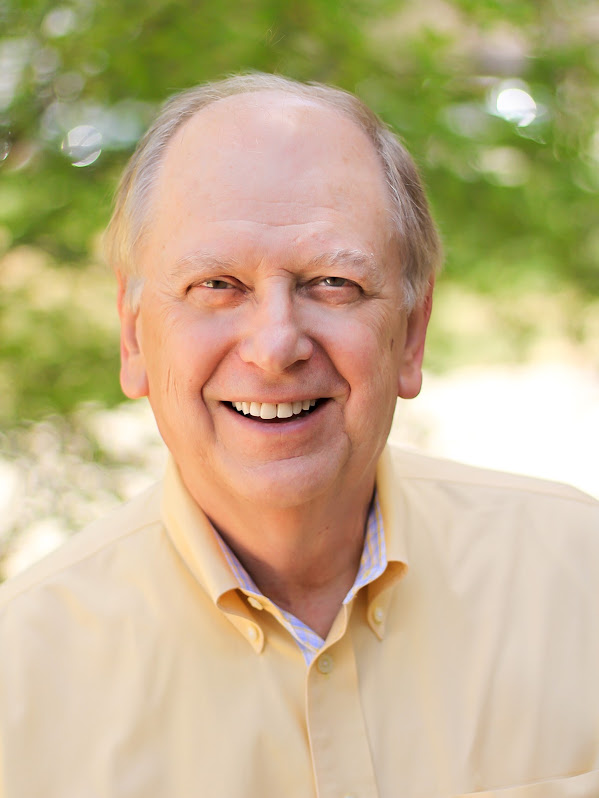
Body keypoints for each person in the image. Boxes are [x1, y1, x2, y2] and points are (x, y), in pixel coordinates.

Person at [0, 74, 597, 798]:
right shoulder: (17, 683)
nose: (275, 345)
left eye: (332, 283)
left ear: (411, 334)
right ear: (133, 338)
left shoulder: (581, 577)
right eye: (217, 284)